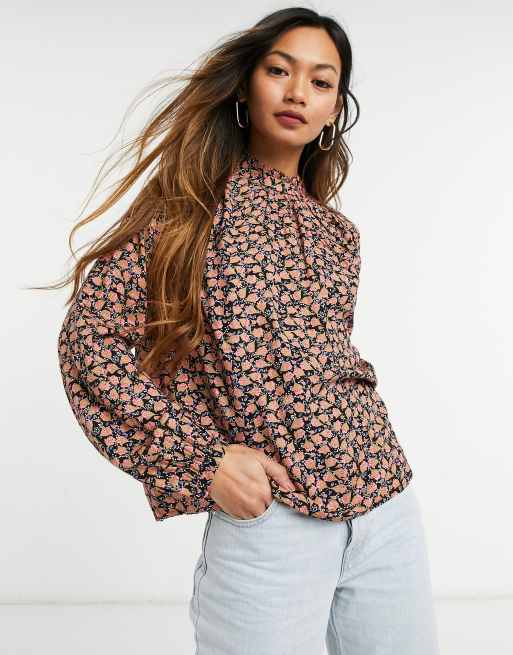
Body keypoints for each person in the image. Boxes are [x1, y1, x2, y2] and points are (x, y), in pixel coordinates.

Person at [52, 6, 439, 655]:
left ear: (332, 110)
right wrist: (203, 461)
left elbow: (324, 364)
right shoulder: (188, 213)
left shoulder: (337, 235)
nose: (297, 92)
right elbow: (90, 341)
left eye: (320, 81)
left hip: (384, 506)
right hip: (273, 524)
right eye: (279, 71)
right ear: (244, 86)